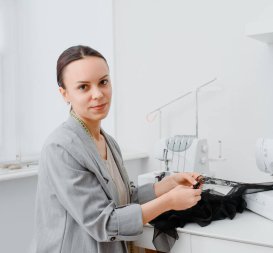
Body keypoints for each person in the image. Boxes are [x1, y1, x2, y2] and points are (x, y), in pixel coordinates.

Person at [34, 45, 202, 253]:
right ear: (64, 93)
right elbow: (103, 223)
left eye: (103, 82)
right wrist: (169, 202)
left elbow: (124, 198)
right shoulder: (61, 148)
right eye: (83, 87)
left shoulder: (108, 142)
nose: (98, 94)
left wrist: (169, 184)